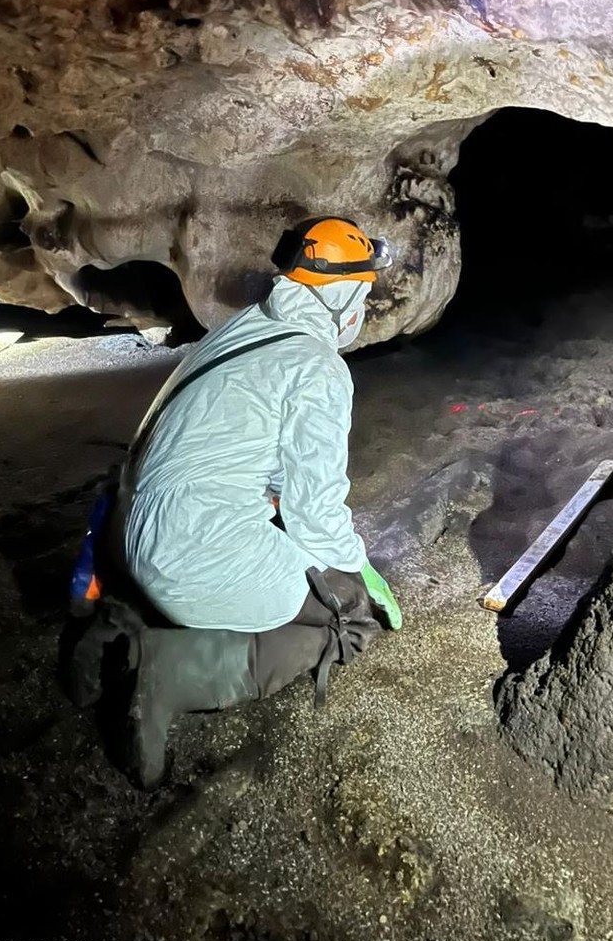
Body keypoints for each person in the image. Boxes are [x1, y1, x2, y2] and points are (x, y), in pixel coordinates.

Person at [74, 216, 402, 789]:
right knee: (335, 620)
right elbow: (316, 512)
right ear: (344, 293)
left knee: (278, 550)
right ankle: (170, 672)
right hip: (184, 549)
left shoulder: (246, 327)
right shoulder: (317, 366)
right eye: (364, 292)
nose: (364, 307)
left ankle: (116, 620)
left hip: (123, 533)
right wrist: (357, 574)